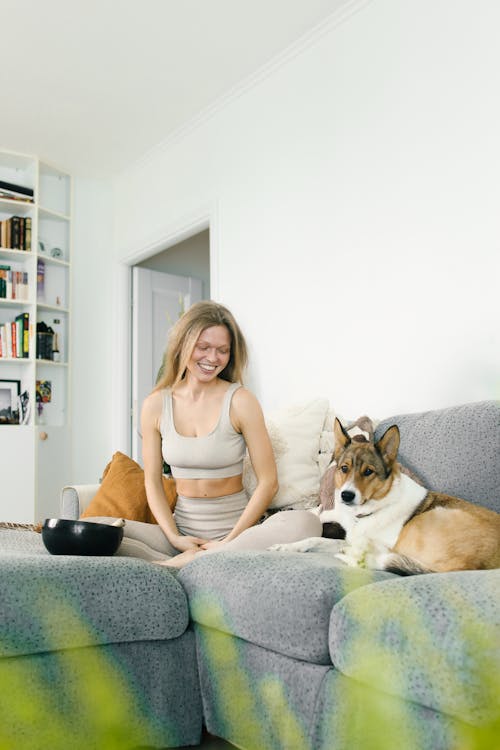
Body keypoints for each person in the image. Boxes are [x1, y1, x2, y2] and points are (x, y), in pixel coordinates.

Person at [141, 300, 321, 568]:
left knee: (307, 522)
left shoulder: (240, 401)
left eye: (222, 351)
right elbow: (153, 483)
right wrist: (175, 537)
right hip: (181, 535)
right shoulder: (156, 404)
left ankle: (195, 561)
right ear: (183, 345)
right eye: (203, 348)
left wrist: (229, 541)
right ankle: (189, 557)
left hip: (237, 534)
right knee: (98, 527)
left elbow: (268, 482)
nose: (212, 359)